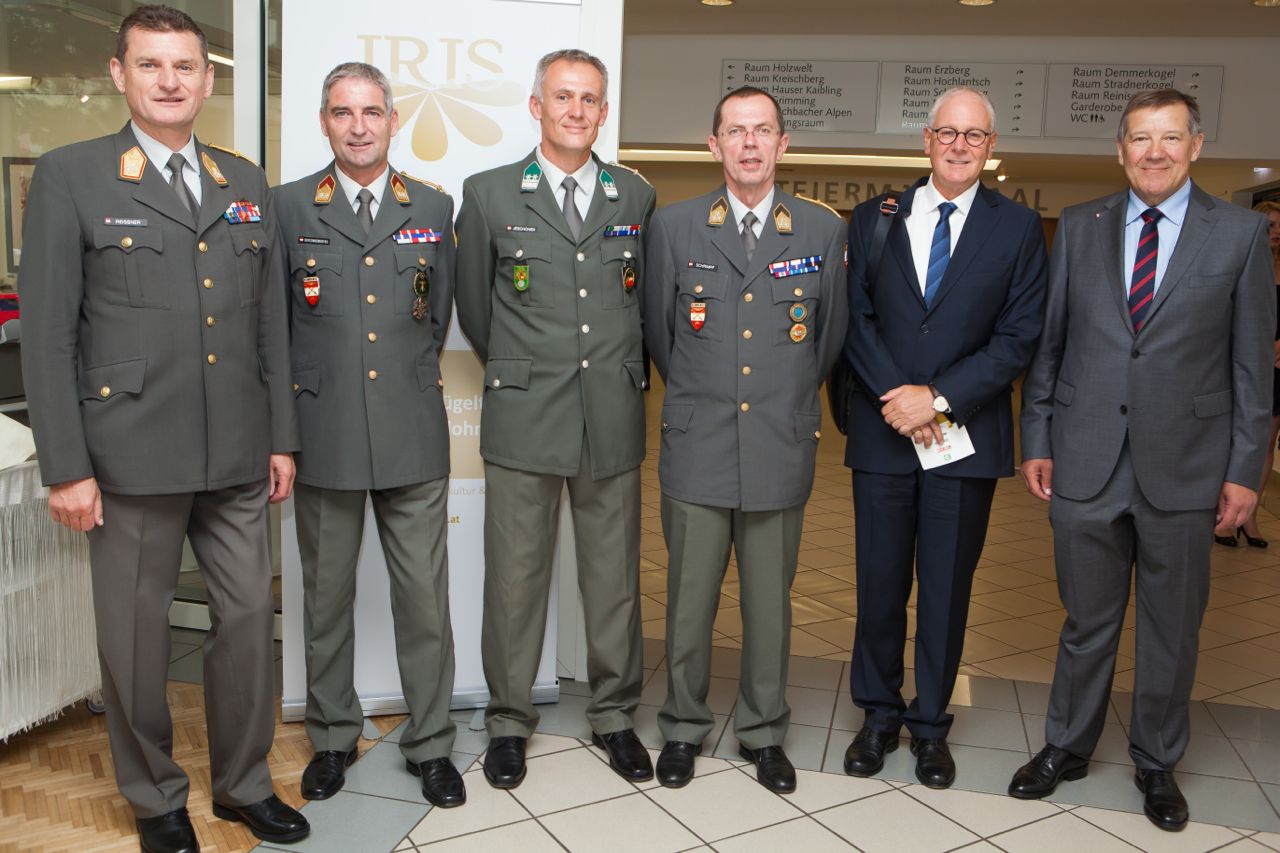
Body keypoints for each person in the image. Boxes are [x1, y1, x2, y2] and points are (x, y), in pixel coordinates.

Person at [17, 6, 308, 852]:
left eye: (185, 65)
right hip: (130, 454)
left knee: (247, 622)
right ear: (119, 74)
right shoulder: (73, 175)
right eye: (151, 65)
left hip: (238, 451)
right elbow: (49, 334)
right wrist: (65, 466)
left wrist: (281, 437)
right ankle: (155, 798)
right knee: (137, 641)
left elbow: (271, 323)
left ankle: (244, 784)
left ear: (208, 79)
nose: (170, 80)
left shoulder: (242, 182)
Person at [1011, 89, 1274, 832]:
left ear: (1196, 146)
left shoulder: (1240, 234)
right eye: (1139, 138)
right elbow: (1051, 346)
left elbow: (1252, 367)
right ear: (1120, 149)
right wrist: (1038, 439)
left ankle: (1157, 761)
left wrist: (1245, 469)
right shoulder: (1082, 226)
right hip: (1085, 458)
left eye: (1170, 137)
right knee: (1085, 619)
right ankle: (1066, 744)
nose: (1154, 152)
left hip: (1189, 466)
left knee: (1171, 626)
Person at [454, 48, 656, 789]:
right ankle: (509, 721)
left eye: (589, 98)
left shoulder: (635, 197)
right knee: (514, 580)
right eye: (563, 96)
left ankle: (614, 715)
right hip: (525, 415)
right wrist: (525, 368)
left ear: (604, 111)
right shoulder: (488, 195)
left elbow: (644, 305)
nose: (577, 110)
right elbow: (477, 311)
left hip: (610, 416)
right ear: (537, 106)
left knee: (614, 580)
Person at [839, 87, 1047, 790]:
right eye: (948, 133)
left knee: (947, 589)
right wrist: (899, 398)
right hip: (883, 431)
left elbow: (1019, 336)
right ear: (926, 140)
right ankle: (877, 715)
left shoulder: (1018, 229)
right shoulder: (874, 218)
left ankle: (929, 724)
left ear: (991, 147)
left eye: (975, 135)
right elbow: (854, 319)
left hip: (965, 437)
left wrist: (936, 398)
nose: (960, 145)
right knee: (879, 585)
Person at [642, 86, 848, 793]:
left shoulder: (820, 231)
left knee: (769, 605)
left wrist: (775, 402)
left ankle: (763, 731)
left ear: (783, 143)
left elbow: (826, 342)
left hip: (777, 446)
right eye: (736, 131)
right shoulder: (675, 228)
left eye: (763, 130)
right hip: (697, 443)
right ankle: (682, 725)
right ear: (714, 145)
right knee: (688, 600)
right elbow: (661, 335)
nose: (750, 143)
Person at [273, 62, 464, 808]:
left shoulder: (434, 206)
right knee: (325, 599)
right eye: (343, 112)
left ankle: (432, 743)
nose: (359, 126)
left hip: (411, 432)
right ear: (323, 121)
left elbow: (434, 317)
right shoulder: (289, 206)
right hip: (323, 432)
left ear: (392, 120)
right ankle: (331, 737)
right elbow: (276, 328)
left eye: (372, 112)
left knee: (424, 602)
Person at [1214, 199, 1280, 548]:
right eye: (1270, 225)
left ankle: (1249, 514)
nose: (1276, 232)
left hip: (1272, 368)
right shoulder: (1236, 256)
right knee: (1230, 438)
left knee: (1265, 441)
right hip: (1236, 366)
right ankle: (1223, 514)